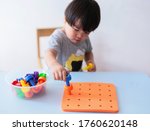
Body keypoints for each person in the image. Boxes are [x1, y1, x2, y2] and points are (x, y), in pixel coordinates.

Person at [45, 0, 101, 81]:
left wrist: (90, 61)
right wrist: (54, 65)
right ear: (65, 20)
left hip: (77, 78)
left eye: (86, 32)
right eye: (76, 29)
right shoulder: (58, 37)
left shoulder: (85, 39)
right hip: (59, 79)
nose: (80, 36)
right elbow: (49, 53)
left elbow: (88, 52)